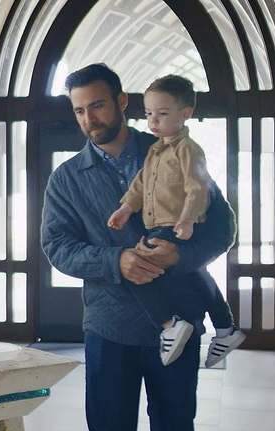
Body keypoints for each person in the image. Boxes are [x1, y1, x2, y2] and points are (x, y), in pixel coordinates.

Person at [40, 63, 236, 431]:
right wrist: (116, 261)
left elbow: (222, 227)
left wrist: (181, 254)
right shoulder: (67, 178)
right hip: (108, 328)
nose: (89, 118)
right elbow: (57, 246)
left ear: (122, 102)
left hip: (178, 325)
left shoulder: (177, 149)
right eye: (79, 111)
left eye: (97, 105)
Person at [107, 75, 246, 367]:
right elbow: (140, 186)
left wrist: (187, 220)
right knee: (194, 273)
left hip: (176, 226)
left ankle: (171, 323)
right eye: (148, 114)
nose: (153, 121)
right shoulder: (156, 150)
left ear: (186, 114)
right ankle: (225, 328)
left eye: (162, 113)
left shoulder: (188, 149)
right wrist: (125, 209)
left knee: (136, 268)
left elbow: (198, 189)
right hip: (158, 225)